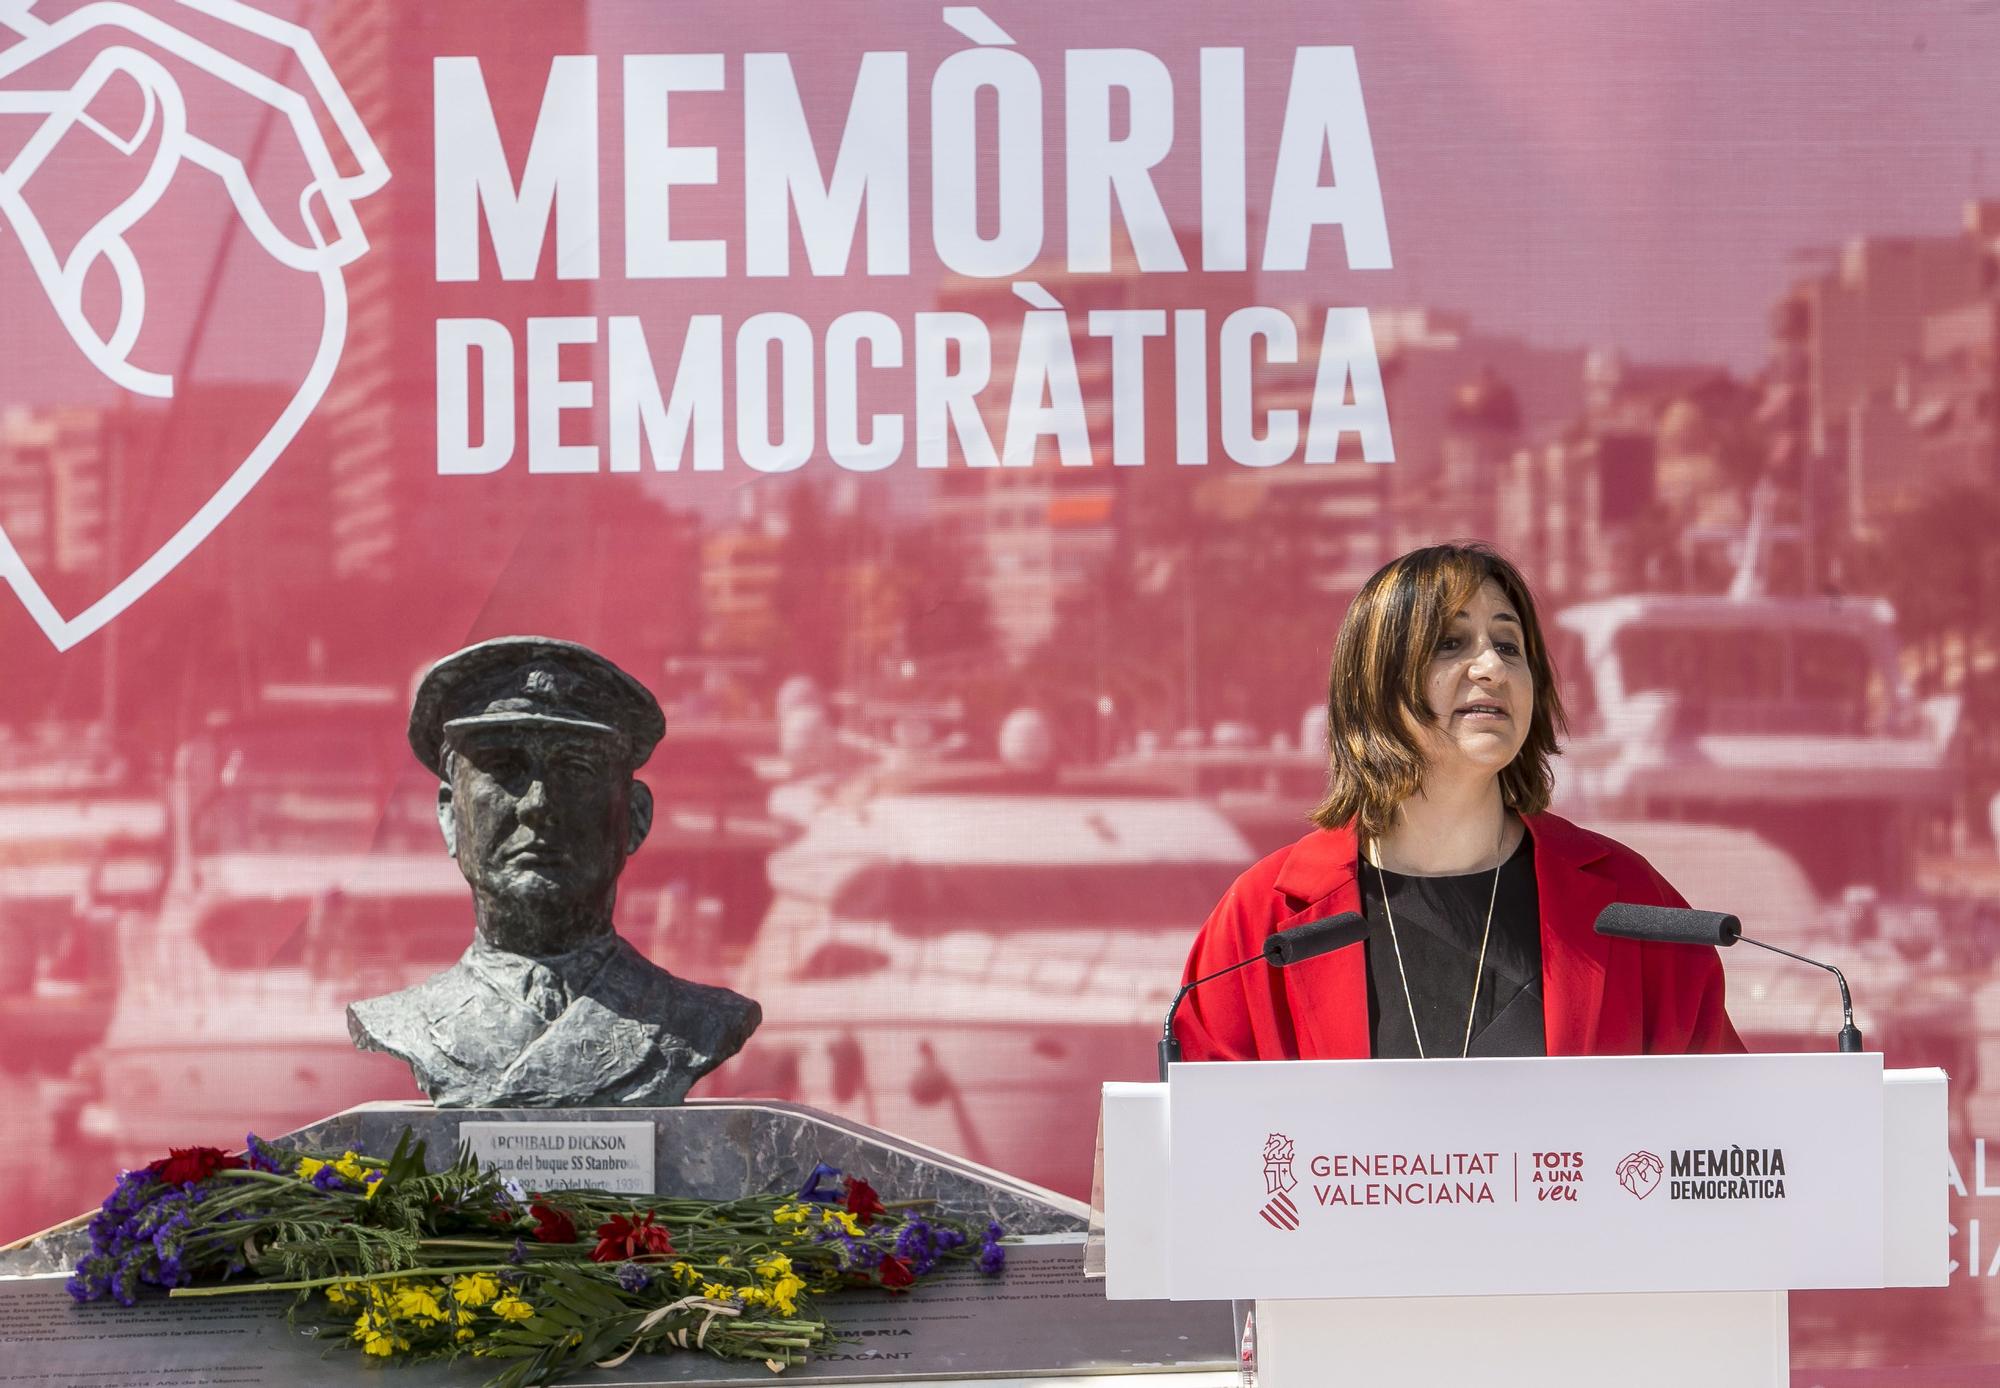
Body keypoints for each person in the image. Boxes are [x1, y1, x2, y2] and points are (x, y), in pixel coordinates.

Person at [1174, 544, 1742, 1061]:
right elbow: (1200, 1142)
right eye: (1451, 643)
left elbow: (1727, 1136)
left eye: (1508, 644)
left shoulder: (1628, 899)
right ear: (1376, 680)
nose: (1492, 667)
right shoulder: (1265, 920)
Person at [347, 636, 761, 1105]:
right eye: (503, 769)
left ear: (636, 817)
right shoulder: (407, 1022)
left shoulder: (696, 1022)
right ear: (449, 816)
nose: (538, 805)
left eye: (576, 771)